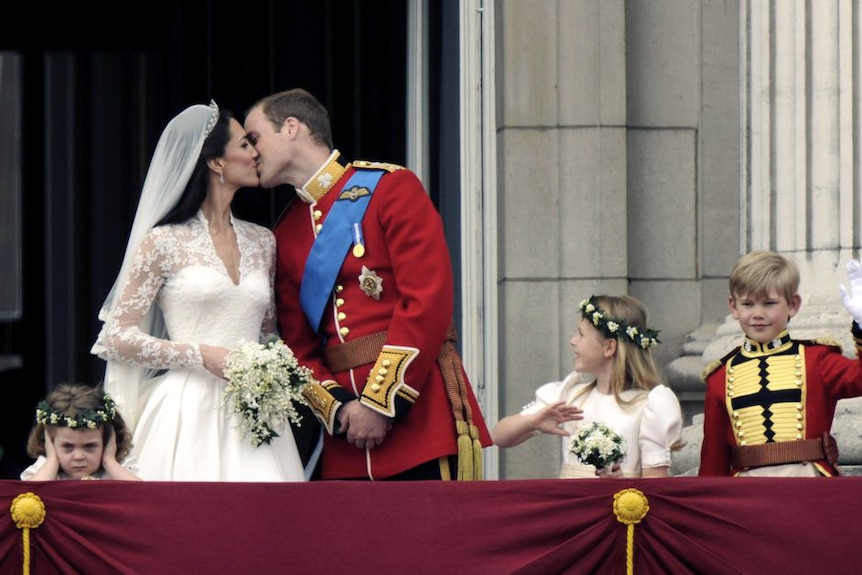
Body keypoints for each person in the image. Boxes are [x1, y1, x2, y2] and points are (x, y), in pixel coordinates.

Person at [243, 88, 492, 480]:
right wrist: (340, 409)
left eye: (254, 137)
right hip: (347, 440)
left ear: (290, 127)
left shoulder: (391, 188)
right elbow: (296, 346)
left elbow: (426, 302)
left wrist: (379, 403)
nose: (250, 152)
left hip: (419, 419)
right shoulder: (286, 231)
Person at [90, 101, 305, 482]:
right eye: (244, 145)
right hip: (187, 411)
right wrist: (200, 354)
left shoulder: (262, 241)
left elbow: (268, 334)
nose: (255, 152)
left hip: (256, 412)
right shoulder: (163, 243)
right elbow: (115, 337)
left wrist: (274, 370)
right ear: (216, 162)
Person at [699, 250, 862, 477]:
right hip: (747, 492)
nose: (758, 314)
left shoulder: (816, 361)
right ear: (734, 307)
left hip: (808, 485)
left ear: (793, 305)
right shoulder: (720, 377)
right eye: (747, 304)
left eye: (769, 303)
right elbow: (713, 460)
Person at [493, 295, 683, 478]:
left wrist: (620, 482)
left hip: (621, 508)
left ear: (609, 347)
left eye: (581, 334)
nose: (573, 340)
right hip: (571, 507)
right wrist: (532, 422)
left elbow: (655, 486)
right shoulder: (568, 396)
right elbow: (499, 436)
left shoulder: (649, 406)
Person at [21, 383, 141, 481]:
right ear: (50, 443)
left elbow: (142, 495)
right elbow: (29, 496)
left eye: (90, 446)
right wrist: (52, 460)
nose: (78, 457)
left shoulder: (119, 468)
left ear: (107, 442)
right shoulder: (45, 469)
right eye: (67, 446)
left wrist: (108, 461)